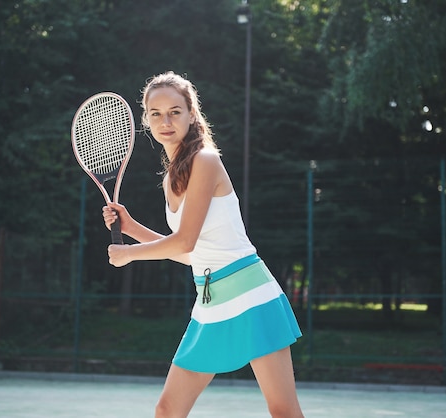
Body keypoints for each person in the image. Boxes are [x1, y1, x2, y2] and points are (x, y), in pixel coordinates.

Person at [102, 71, 304, 418]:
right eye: (156, 113)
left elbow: (185, 240)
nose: (165, 121)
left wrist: (128, 255)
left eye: (175, 111)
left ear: (192, 114)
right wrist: (131, 227)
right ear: (146, 120)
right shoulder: (170, 178)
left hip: (250, 294)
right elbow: (189, 255)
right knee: (167, 410)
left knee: (283, 411)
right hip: (210, 301)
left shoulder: (206, 161)